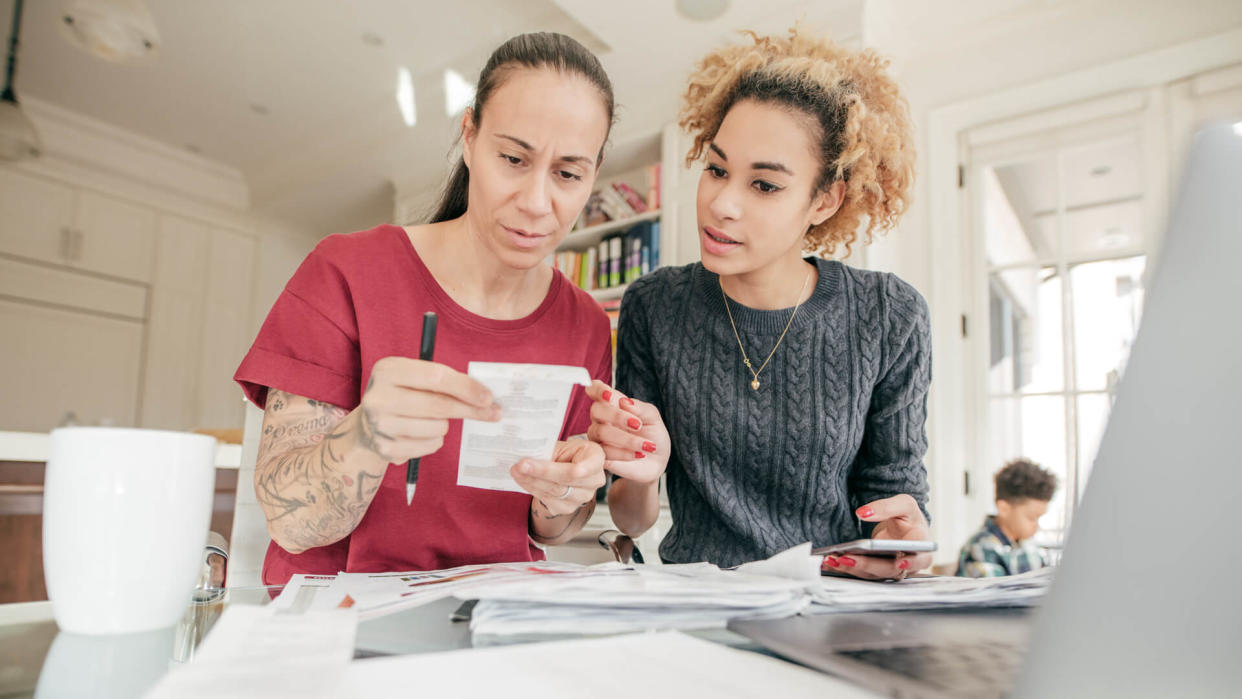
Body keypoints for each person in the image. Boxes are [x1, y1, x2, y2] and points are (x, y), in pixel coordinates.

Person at [233, 32, 616, 585]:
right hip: (343, 622)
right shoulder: (346, 271)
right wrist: (364, 439)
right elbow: (293, 525)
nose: (536, 203)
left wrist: (564, 495)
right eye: (513, 158)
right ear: (469, 137)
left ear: (594, 176)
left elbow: (549, 530)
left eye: (567, 174)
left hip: (491, 620)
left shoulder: (583, 322)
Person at [586, 28, 932, 580]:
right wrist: (644, 473)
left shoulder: (890, 315)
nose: (722, 204)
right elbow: (630, 518)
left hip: (829, 600)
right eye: (717, 170)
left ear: (824, 199)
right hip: (698, 600)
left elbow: (895, 501)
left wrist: (901, 536)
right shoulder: (654, 306)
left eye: (765, 186)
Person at [957, 458, 1057, 578]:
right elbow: (993, 595)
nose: (1036, 526)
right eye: (1031, 518)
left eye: (1039, 518)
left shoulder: (1028, 545)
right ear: (1004, 508)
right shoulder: (981, 548)